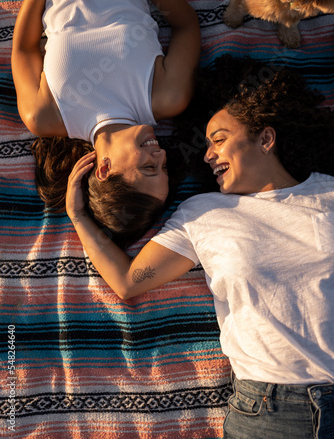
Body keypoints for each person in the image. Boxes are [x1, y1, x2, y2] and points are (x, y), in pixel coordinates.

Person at [65, 64, 334, 438]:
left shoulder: (328, 193)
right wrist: (78, 217)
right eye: (206, 144)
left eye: (219, 139)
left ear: (265, 139)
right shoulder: (203, 212)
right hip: (271, 411)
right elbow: (128, 281)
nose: (208, 155)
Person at [11, 0, 201, 246]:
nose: (162, 154)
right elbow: (186, 25)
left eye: (149, 166)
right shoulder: (166, 97)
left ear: (104, 168)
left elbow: (23, 48)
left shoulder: (46, 115)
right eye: (163, 166)